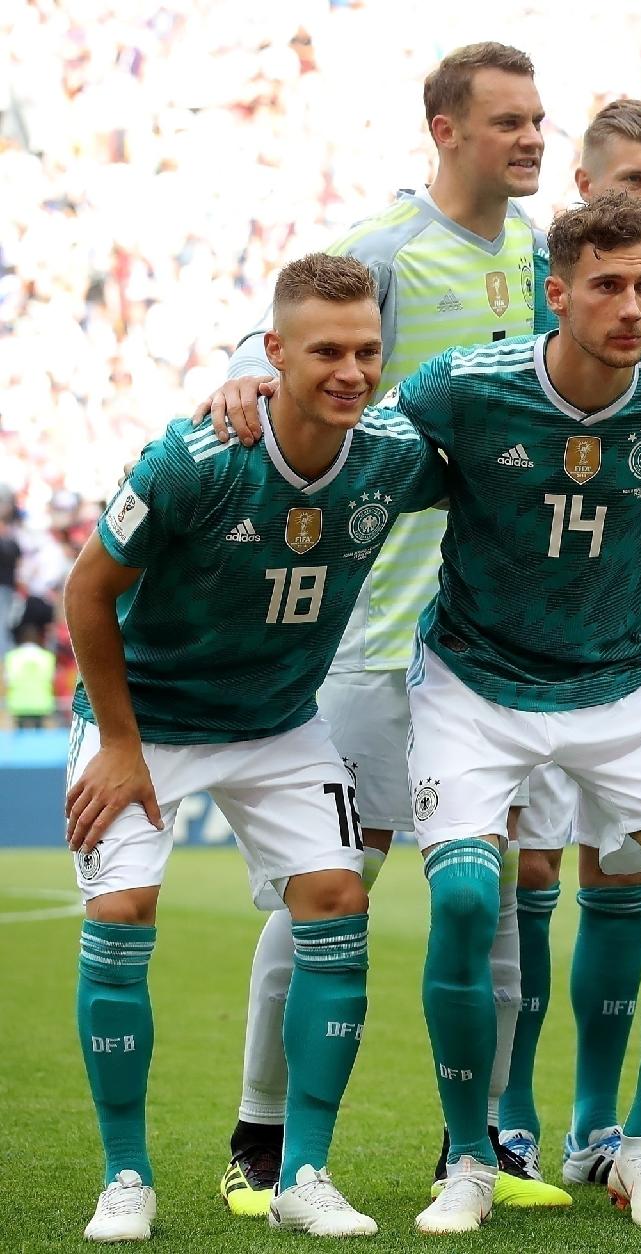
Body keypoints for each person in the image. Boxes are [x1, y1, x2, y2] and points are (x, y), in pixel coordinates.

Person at [197, 41, 568, 1213]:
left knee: (488, 892)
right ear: (446, 131)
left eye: (539, 119)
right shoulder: (389, 249)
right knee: (329, 889)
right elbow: (274, 340)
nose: (531, 138)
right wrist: (238, 377)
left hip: (489, 636)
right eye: (508, 121)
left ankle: (481, 1147)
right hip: (371, 636)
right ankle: (261, 1137)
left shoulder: (534, 252)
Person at [395, 192, 641, 1233]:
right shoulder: (468, 385)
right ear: (556, 294)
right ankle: (469, 1157)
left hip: (620, 683)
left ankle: (640, 1144)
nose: (633, 306)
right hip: (475, 684)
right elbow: (364, 448)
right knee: (467, 901)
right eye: (608, 285)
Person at [62, 255, 446, 1240]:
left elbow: (486, 461)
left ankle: (303, 1175)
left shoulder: (392, 456)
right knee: (121, 912)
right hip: (148, 719)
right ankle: (125, 1178)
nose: (352, 372)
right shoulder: (195, 458)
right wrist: (117, 743)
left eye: (368, 352)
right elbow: (86, 590)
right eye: (327, 352)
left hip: (278, 721)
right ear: (273, 354)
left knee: (339, 901)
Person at [496, 96, 641, 1192]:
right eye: (635, 180)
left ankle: (599, 1121)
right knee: (528, 871)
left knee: (623, 873)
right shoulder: (528, 286)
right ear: (582, 188)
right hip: (520, 643)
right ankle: (510, 1112)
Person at [6, 621, 58, 729]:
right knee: (39, 734)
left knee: (20, 734)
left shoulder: (12, 657)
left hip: (18, 703)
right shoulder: (47, 657)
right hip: (41, 703)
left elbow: (7, 680)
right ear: (37, 638)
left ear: (20, 639)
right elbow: (53, 679)